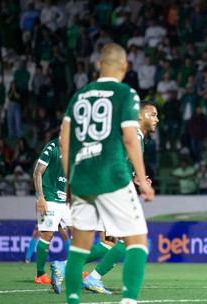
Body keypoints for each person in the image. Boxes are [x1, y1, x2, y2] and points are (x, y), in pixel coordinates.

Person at [59, 43, 154, 304]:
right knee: (137, 241)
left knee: (80, 245)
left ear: (98, 65)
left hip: (81, 177)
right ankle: (129, 300)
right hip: (112, 175)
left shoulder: (79, 96)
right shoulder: (126, 94)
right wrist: (142, 180)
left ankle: (73, 300)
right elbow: (130, 138)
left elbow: (64, 140)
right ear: (125, 66)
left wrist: (69, 180)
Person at [79, 100, 159, 294]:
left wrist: (135, 178)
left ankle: (78, 271)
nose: (156, 119)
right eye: (153, 114)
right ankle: (89, 277)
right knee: (133, 239)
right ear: (140, 116)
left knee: (122, 241)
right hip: (113, 191)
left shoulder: (133, 136)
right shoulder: (134, 136)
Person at [32, 137, 72, 284]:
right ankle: (40, 275)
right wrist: (41, 197)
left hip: (66, 200)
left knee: (81, 233)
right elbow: (37, 172)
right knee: (47, 235)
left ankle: (73, 269)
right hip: (49, 198)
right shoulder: (52, 147)